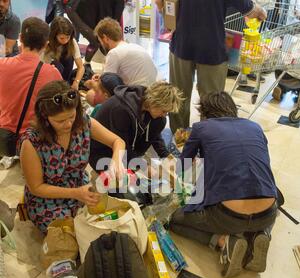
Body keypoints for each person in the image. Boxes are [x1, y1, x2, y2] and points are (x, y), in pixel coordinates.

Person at [170, 92, 278, 278]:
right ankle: (260, 234)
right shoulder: (255, 126)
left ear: (204, 112)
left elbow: (183, 168)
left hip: (227, 216)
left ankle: (224, 241)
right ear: (232, 109)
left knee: (174, 220)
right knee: (271, 196)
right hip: (269, 213)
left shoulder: (201, 128)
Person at [18, 80, 125, 233]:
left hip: (81, 186)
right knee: (70, 233)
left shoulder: (83, 123)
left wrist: (116, 162)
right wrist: (75, 193)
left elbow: (117, 141)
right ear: (45, 117)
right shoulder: (31, 142)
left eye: (71, 116)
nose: (68, 124)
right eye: (60, 121)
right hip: (47, 199)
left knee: (102, 224)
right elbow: (36, 188)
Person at [154, 0, 267, 133]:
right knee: (212, 101)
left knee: (179, 96)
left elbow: (159, 2)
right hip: (212, 47)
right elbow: (254, 11)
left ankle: (179, 136)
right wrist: (261, 12)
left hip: (182, 43)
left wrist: (169, 20)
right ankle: (208, 138)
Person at [0, 17, 62, 161]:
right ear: (46, 44)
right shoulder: (52, 74)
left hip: (3, 135)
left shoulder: (2, 65)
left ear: (20, 38)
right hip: (33, 141)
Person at [89, 81, 184, 172]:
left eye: (166, 112)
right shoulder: (121, 109)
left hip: (126, 149)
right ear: (154, 102)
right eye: (163, 111)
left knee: (160, 122)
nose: (164, 115)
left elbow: (155, 136)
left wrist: (166, 155)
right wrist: (143, 166)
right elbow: (123, 145)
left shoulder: (151, 110)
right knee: (127, 184)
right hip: (101, 152)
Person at [45, 0, 125, 68]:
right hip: (76, 11)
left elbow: (115, 16)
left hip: (86, 13)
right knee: (92, 40)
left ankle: (85, 65)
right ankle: (84, 64)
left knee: (89, 41)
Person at [94, 17, 157, 86]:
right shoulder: (135, 46)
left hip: (137, 93)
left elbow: (105, 85)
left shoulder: (114, 53)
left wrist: (92, 84)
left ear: (105, 38)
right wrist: (102, 76)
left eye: (100, 41)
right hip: (151, 89)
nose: (101, 44)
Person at [42, 16, 84, 88]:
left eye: (68, 37)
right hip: (48, 78)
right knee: (57, 65)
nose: (65, 41)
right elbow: (40, 67)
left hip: (65, 77)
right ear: (54, 35)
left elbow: (81, 67)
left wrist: (76, 82)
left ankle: (65, 84)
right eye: (62, 38)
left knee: (69, 58)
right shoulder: (46, 43)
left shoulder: (72, 42)